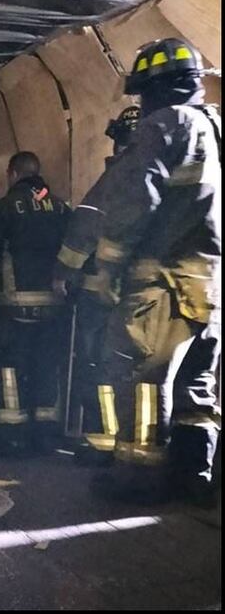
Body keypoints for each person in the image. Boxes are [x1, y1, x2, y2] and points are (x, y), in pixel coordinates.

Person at [88, 38, 220, 506]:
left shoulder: (165, 125)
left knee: (142, 376)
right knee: (196, 388)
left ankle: (139, 482)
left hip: (162, 282)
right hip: (211, 285)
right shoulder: (215, 127)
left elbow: (132, 204)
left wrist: (105, 269)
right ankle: (195, 478)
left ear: (156, 89)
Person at [52, 106, 140, 465]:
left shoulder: (122, 173)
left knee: (100, 364)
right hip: (161, 293)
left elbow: (85, 227)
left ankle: (104, 441)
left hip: (106, 293)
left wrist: (62, 274)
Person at [0, 151, 72, 456]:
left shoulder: (3, 209)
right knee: (47, 367)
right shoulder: (61, 207)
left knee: (10, 371)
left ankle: (12, 437)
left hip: (12, 308)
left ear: (12, 174)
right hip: (54, 308)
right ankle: (46, 435)